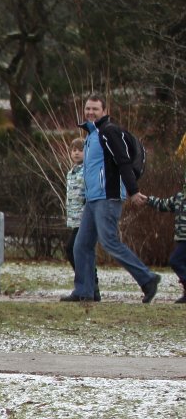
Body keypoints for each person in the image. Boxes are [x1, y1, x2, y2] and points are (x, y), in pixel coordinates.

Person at [66, 94, 160, 303]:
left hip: (108, 198)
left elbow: (123, 161)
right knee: (81, 246)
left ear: (105, 111)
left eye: (95, 109)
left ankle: (147, 279)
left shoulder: (109, 132)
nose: (90, 112)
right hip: (92, 200)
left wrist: (133, 190)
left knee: (109, 241)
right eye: (88, 108)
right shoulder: (91, 136)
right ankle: (85, 292)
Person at [130, 183, 186, 303]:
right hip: (182, 239)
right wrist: (148, 200)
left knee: (175, 261)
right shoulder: (180, 197)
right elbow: (164, 204)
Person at [61, 138, 98, 300]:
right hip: (75, 219)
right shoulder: (71, 172)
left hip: (85, 218)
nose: (76, 153)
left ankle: (87, 286)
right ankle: (91, 287)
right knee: (78, 251)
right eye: (73, 150)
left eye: (80, 150)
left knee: (74, 248)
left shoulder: (88, 171)